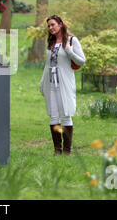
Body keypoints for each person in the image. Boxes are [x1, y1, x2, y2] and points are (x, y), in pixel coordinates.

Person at [39, 15, 86, 155]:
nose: (50, 28)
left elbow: (81, 61)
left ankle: (67, 150)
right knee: (53, 115)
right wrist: (42, 82)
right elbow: (47, 64)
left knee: (65, 114)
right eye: (48, 26)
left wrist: (69, 51)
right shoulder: (50, 42)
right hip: (50, 83)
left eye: (53, 24)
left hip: (64, 83)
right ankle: (57, 150)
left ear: (60, 24)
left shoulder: (72, 40)